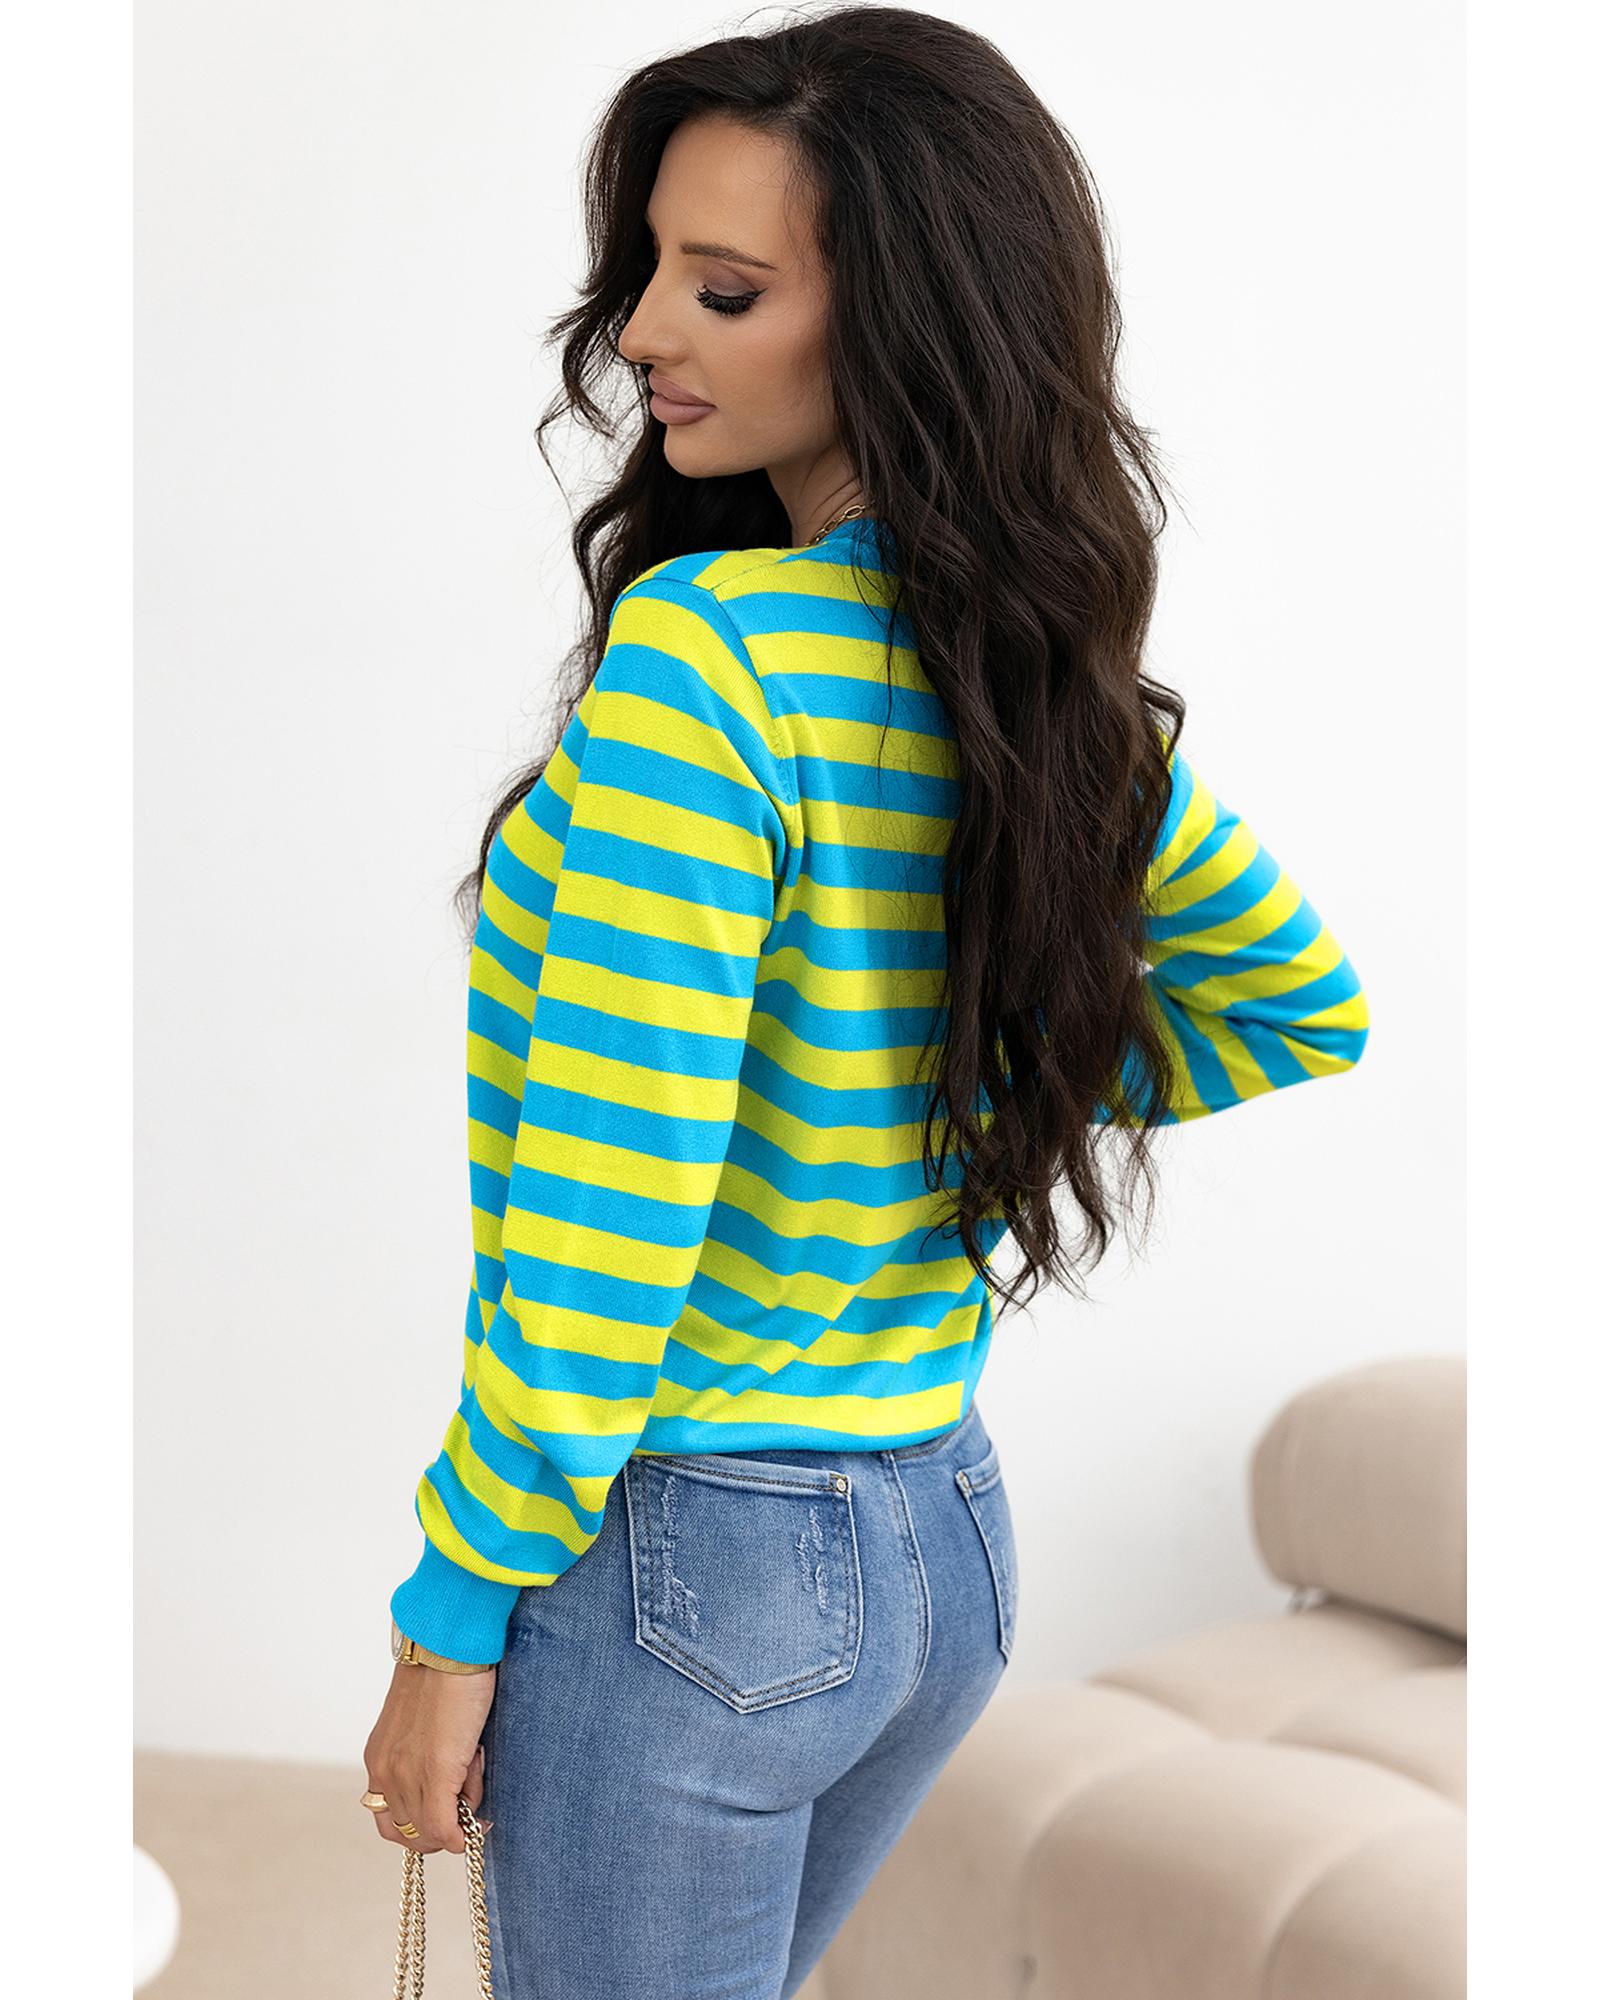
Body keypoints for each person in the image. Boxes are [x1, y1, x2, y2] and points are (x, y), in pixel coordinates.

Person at [360, 8, 1372, 1995]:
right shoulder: (1024, 675)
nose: (644, 328)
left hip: (693, 1568)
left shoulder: (707, 664)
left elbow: (608, 1218)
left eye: (724, 289)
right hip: (940, 1540)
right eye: (651, 267)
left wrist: (448, 1616)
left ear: (900, 323)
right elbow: (1288, 998)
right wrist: (961, 1086)